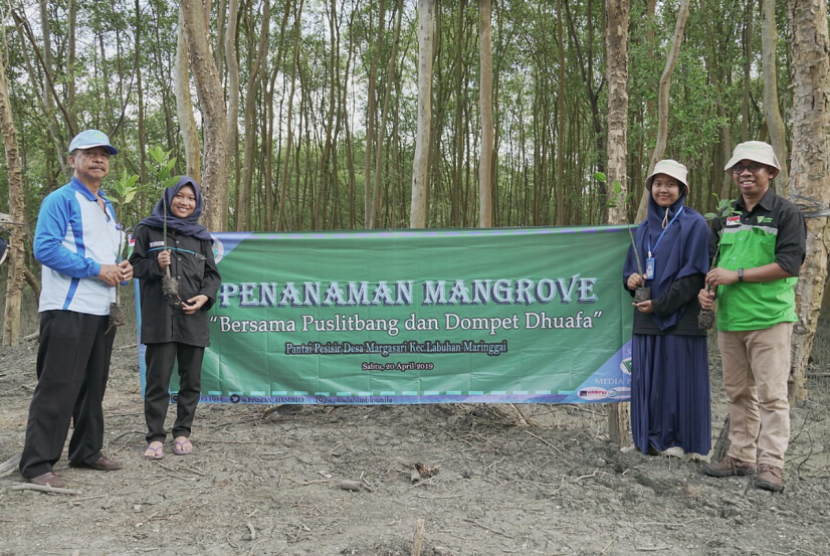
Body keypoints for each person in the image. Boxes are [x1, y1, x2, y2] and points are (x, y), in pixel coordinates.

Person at [20, 130, 132, 488]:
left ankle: (86, 450)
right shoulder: (60, 200)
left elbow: (109, 257)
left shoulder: (108, 206)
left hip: (102, 311)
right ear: (73, 160)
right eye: (90, 153)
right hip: (67, 309)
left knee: (93, 386)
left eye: (104, 154)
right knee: (58, 385)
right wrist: (97, 269)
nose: (98, 159)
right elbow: (46, 249)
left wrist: (121, 270)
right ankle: (37, 464)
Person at [699, 141, 806, 492]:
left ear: (770, 173)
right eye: (739, 167)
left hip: (770, 319)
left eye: (754, 166)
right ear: (732, 173)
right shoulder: (725, 216)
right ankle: (741, 456)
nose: (745, 172)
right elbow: (716, 265)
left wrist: (737, 275)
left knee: (772, 396)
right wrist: (708, 291)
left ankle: (772, 464)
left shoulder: (786, 213)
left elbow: (789, 264)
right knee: (737, 393)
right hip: (730, 320)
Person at [623, 159, 711, 458]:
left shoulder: (695, 224)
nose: (664, 189)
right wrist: (632, 280)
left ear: (682, 189)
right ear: (650, 189)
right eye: (658, 184)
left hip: (681, 317)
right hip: (646, 316)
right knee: (647, 382)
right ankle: (645, 442)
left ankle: (679, 443)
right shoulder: (642, 229)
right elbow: (629, 271)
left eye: (670, 184)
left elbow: (695, 275)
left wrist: (661, 305)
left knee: (678, 381)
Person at [129, 176, 220, 460]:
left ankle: (183, 432)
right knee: (158, 380)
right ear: (169, 198)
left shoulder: (201, 237)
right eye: (180, 196)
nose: (185, 202)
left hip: (193, 319)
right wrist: (156, 264)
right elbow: (134, 266)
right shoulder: (148, 229)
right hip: (160, 317)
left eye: (191, 198)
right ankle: (155, 436)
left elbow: (212, 276)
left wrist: (205, 297)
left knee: (190, 380)